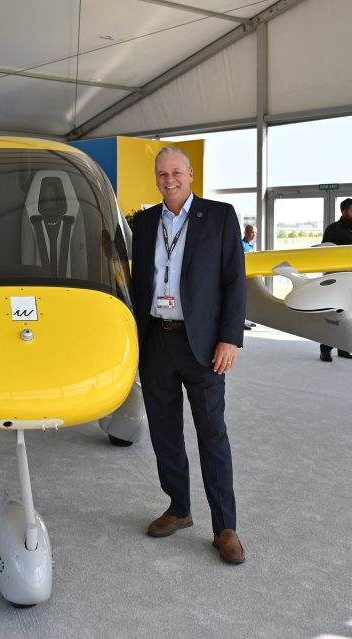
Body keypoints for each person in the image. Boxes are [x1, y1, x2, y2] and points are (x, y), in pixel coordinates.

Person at [130, 146, 247, 564]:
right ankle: (179, 508)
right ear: (156, 178)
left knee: (212, 433)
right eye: (162, 174)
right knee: (164, 432)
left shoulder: (219, 216)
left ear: (191, 173)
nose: (170, 180)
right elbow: (136, 283)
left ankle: (225, 527)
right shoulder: (144, 223)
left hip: (204, 345)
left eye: (176, 172)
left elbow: (234, 280)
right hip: (156, 340)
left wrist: (230, 339)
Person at [319, 198, 352, 362]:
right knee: (335, 317)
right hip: (339, 280)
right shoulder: (333, 229)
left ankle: (344, 348)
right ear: (344, 212)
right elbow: (325, 253)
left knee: (351, 317)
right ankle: (325, 349)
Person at [241, 224, 257, 330]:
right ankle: (241, 321)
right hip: (243, 277)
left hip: (250, 276)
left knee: (249, 299)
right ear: (246, 232)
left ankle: (246, 319)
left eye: (256, 233)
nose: (254, 235)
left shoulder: (251, 245)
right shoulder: (241, 245)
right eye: (252, 232)